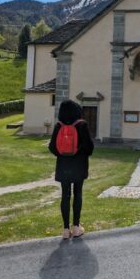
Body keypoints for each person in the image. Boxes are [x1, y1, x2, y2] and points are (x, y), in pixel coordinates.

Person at [48, 100, 94, 240]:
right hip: (79, 165)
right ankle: (76, 227)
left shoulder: (58, 126)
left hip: (63, 165)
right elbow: (90, 148)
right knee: (77, 193)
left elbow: (52, 147)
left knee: (65, 195)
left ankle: (65, 230)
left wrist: (63, 154)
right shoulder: (82, 125)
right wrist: (79, 153)